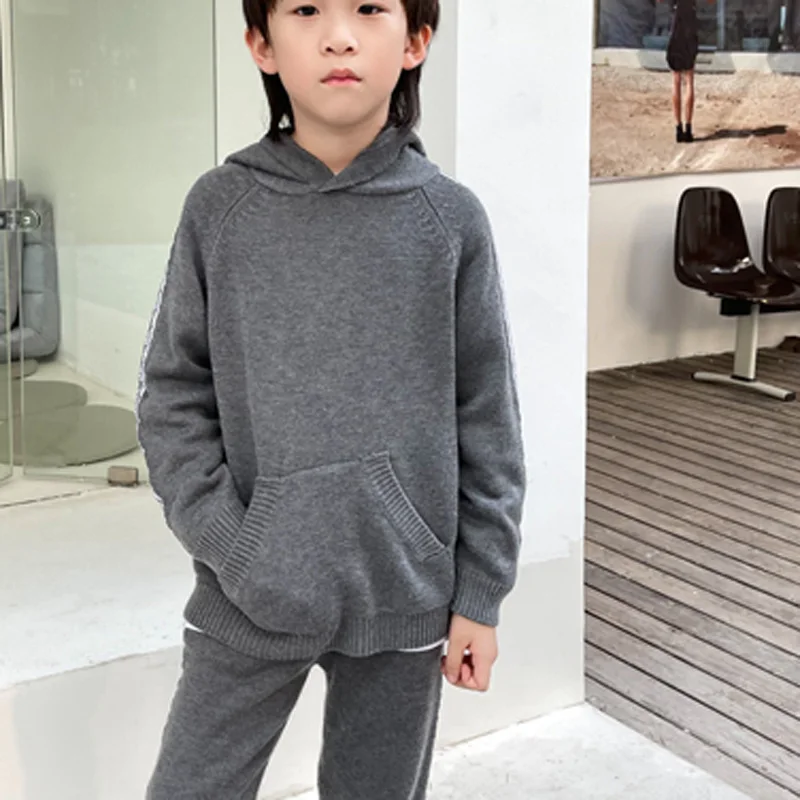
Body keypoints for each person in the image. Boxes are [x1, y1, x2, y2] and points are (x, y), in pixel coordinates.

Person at [135, 0, 527, 797]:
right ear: (261, 44)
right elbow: (172, 398)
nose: (339, 35)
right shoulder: (220, 208)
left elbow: (488, 419)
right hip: (248, 591)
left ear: (416, 41)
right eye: (307, 8)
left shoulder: (449, 222)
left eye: (370, 8)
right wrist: (236, 548)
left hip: (406, 595)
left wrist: (480, 595)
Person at [665, 0, 699, 142]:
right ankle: (688, 128)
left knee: (676, 79)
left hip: (676, 24)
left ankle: (678, 128)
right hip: (690, 23)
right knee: (689, 79)